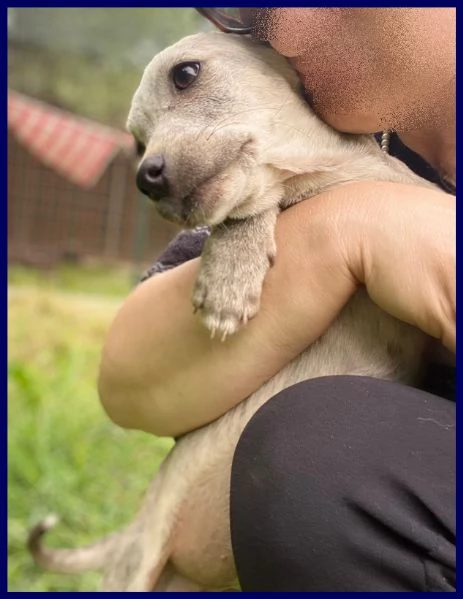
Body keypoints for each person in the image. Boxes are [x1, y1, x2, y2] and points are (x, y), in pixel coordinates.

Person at [97, 8, 455, 592]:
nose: (282, 29)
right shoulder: (281, 152)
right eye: (241, 8)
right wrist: (348, 229)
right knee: (321, 457)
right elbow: (126, 379)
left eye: (187, 78)